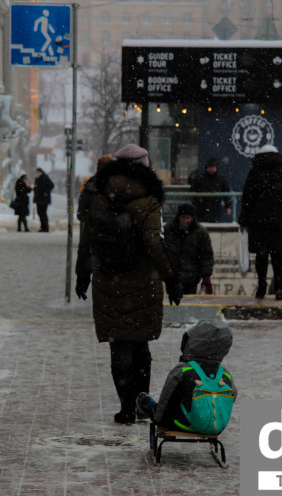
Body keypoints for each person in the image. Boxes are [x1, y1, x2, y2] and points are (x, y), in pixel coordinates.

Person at [75, 143, 182, 425]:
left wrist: (81, 275)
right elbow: (154, 243)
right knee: (140, 347)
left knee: (118, 346)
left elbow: (86, 240)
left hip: (108, 281)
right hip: (142, 281)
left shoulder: (99, 195)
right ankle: (141, 402)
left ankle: (125, 407)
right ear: (143, 166)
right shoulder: (148, 199)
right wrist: (171, 278)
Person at [136, 320, 237, 433]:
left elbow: (167, 402)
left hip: (183, 424)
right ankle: (204, 421)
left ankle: (144, 403)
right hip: (214, 427)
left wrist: (159, 418)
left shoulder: (182, 371)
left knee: (144, 399)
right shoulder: (225, 374)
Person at [238, 145, 282, 300]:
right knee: (278, 256)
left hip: (259, 222)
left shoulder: (254, 173)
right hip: (279, 222)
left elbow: (247, 198)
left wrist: (245, 219)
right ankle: (279, 286)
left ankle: (262, 286)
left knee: (261, 255)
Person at [164, 203, 215, 295]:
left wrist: (206, 276)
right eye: (183, 217)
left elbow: (206, 255)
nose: (185, 220)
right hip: (173, 276)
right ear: (178, 217)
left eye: (188, 218)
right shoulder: (168, 230)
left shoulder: (200, 232)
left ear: (192, 218)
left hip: (191, 278)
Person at [189, 157, 231, 223]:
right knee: (201, 225)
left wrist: (228, 206)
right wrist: (197, 199)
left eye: (213, 167)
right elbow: (192, 190)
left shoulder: (220, 179)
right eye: (210, 167)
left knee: (214, 226)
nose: (211, 169)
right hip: (201, 208)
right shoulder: (200, 178)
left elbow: (227, 193)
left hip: (215, 208)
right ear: (207, 168)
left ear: (216, 168)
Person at [77, 154, 113, 229]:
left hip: (93, 234)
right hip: (111, 234)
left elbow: (81, 213)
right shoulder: (118, 186)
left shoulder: (89, 186)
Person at [33, 167, 54, 232]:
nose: (36, 174)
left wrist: (46, 192)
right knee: (40, 213)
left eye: (37, 172)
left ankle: (45, 228)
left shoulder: (45, 177)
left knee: (43, 213)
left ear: (40, 172)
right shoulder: (38, 178)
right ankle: (42, 227)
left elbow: (52, 185)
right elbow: (37, 187)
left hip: (44, 199)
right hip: (39, 198)